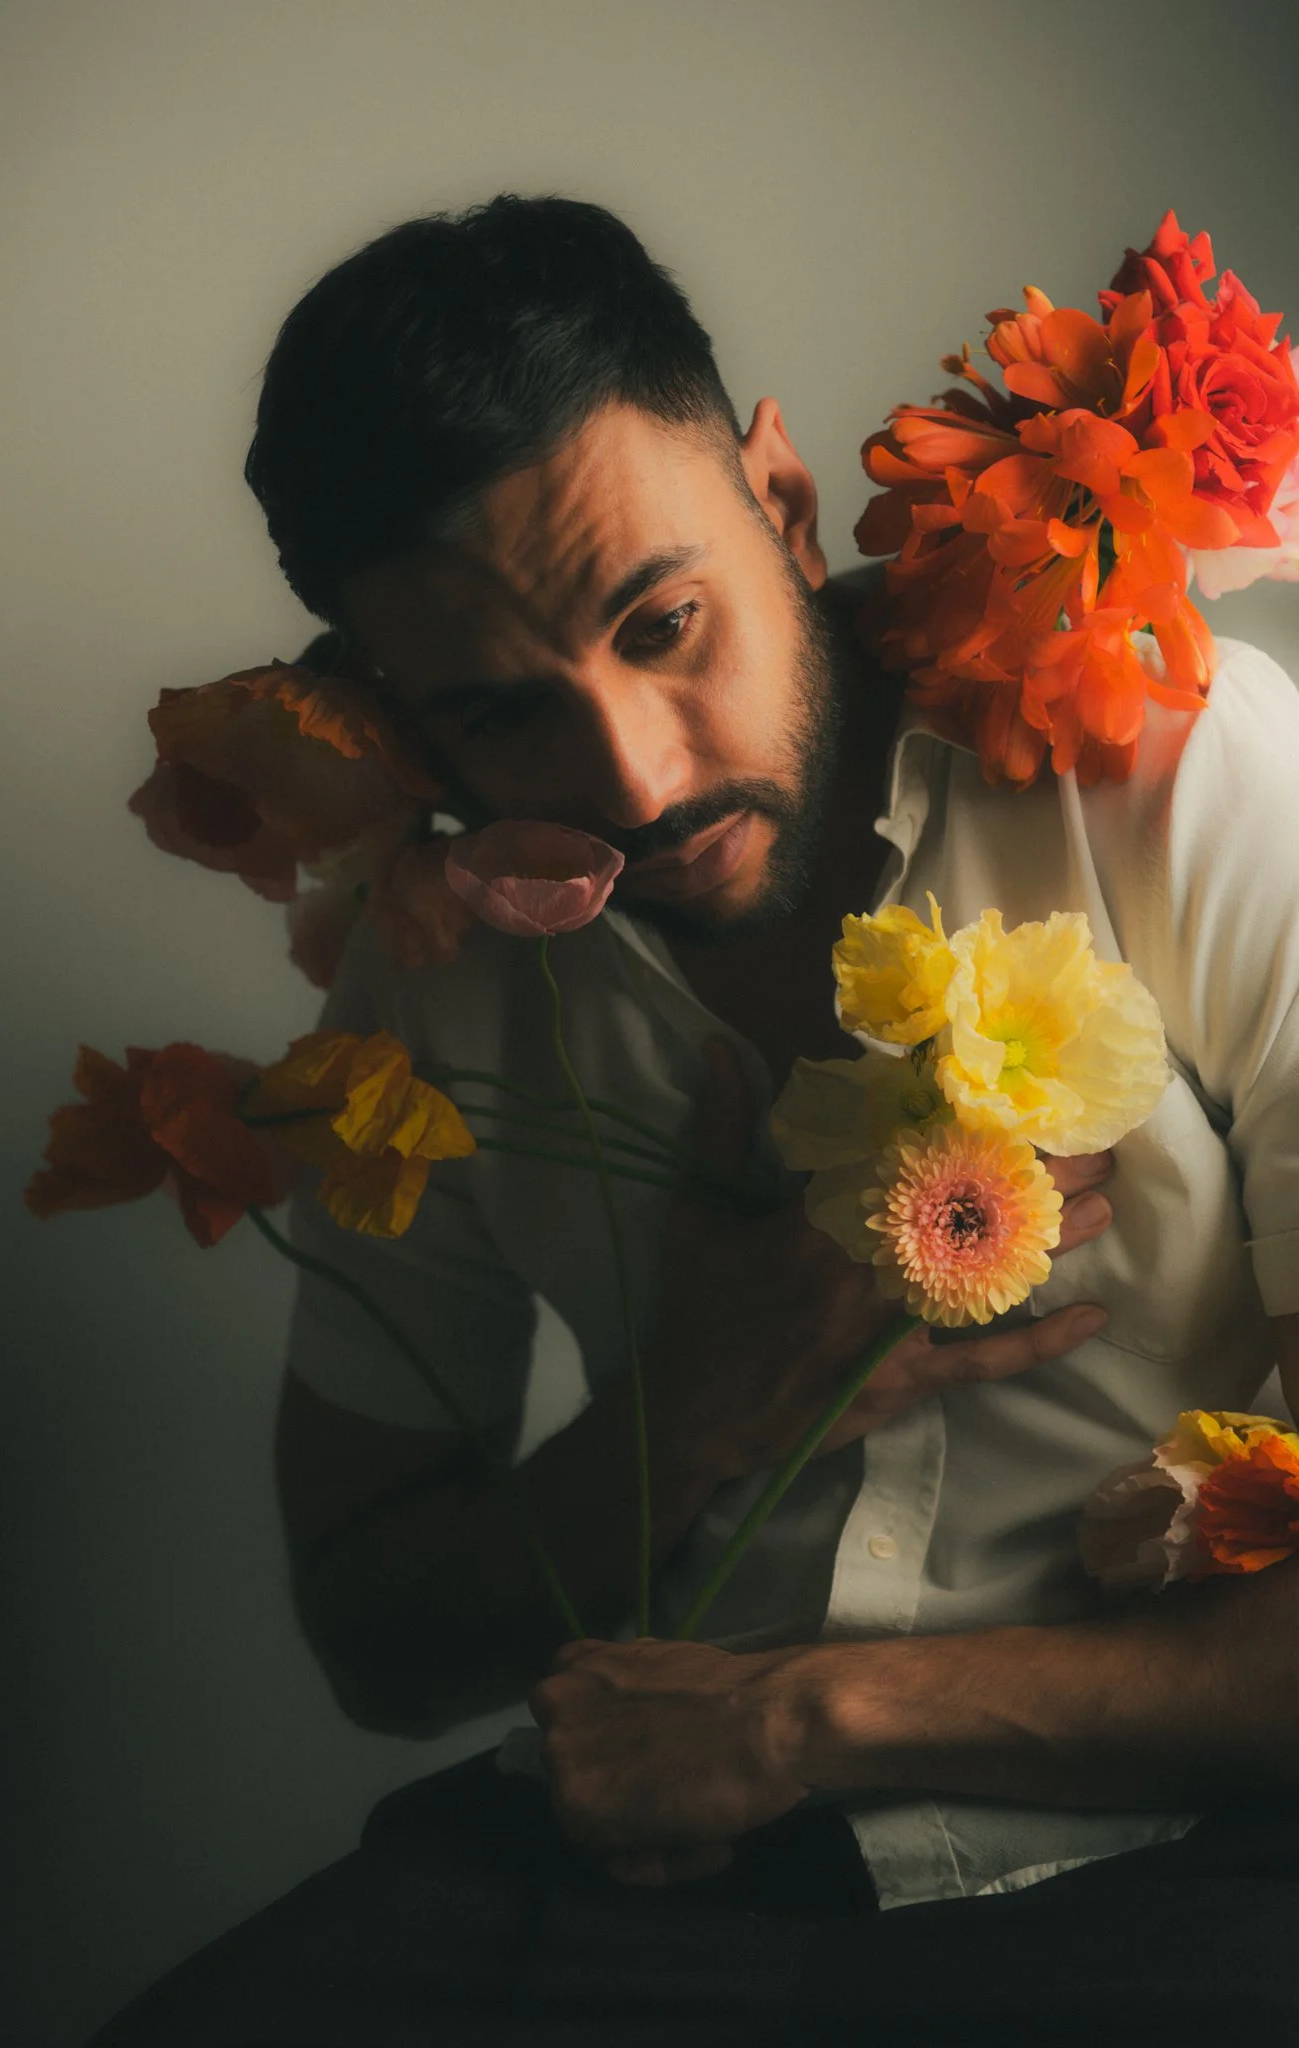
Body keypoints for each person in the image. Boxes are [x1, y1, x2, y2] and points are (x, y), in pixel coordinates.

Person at [91, 195, 1299, 2046]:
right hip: (628, 1880)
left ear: (788, 504)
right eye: (503, 717)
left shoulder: (1181, 764)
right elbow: (380, 1632)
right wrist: (695, 1412)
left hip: (1181, 1860)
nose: (634, 778)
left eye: (665, 624)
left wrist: (804, 1716)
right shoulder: (436, 982)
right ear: (404, 722)